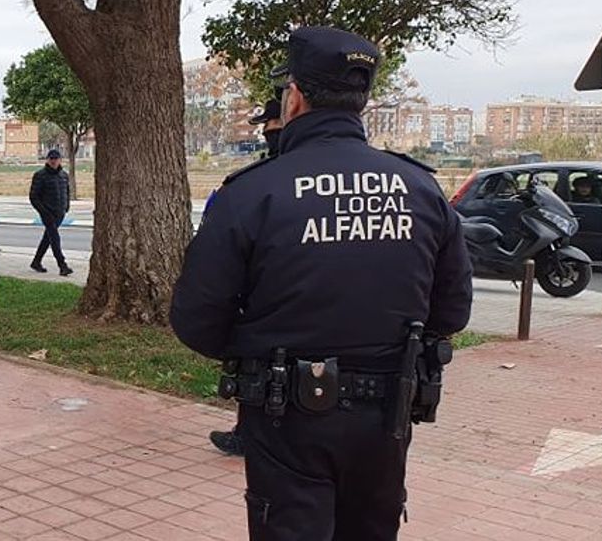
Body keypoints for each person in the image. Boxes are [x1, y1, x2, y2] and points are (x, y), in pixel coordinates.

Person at [170, 27, 473, 541]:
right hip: (386, 416)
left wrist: (260, 351)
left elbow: (197, 319)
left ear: (295, 96)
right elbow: (451, 313)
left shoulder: (253, 192)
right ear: (363, 99)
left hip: (286, 414)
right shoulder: (420, 188)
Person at [208, 97, 284, 457]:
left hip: (270, 290)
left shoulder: (260, 180)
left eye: (269, 124)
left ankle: (251, 434)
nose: (266, 132)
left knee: (258, 364)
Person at [29, 148, 73, 276]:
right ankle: (62, 265)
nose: (54, 161)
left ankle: (36, 262)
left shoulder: (64, 175)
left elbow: (67, 192)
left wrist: (66, 206)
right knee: (54, 237)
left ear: (60, 160)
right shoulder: (40, 175)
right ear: (47, 160)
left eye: (56, 159)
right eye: (51, 159)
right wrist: (43, 212)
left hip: (60, 213)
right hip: (47, 213)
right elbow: (33, 197)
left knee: (48, 238)